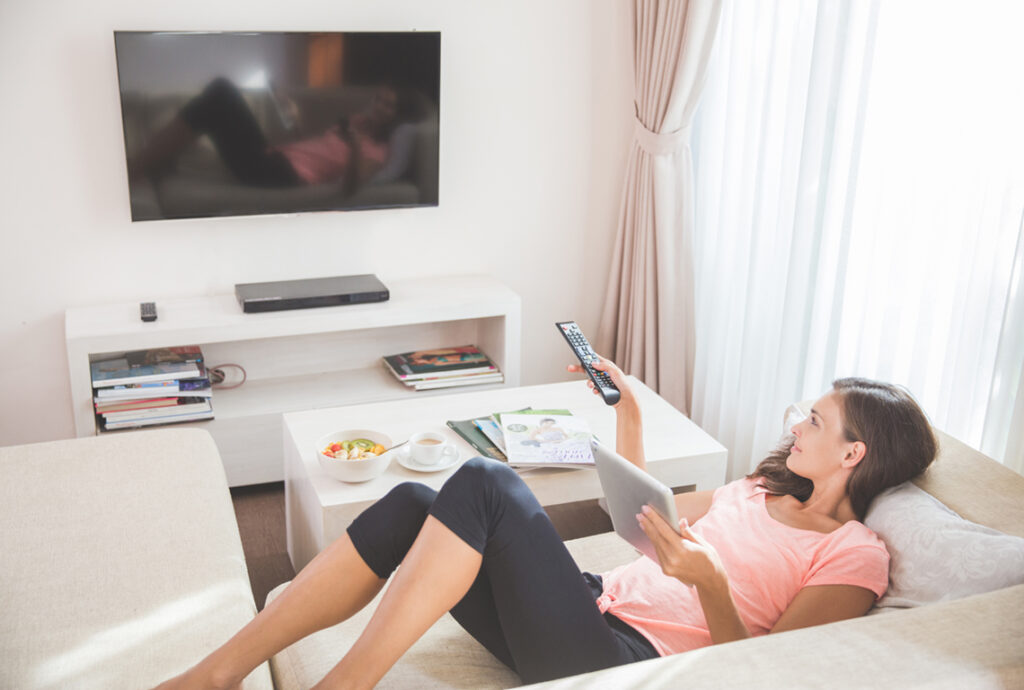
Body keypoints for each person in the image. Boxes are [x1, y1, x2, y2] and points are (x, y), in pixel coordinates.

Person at [156, 357, 937, 689]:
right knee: (408, 506)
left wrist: (713, 587)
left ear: (854, 454)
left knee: (486, 482)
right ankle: (221, 671)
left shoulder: (854, 553)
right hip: (588, 605)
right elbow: (647, 519)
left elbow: (771, 673)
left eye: (817, 420)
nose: (797, 423)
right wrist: (628, 411)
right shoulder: (761, 492)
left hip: (622, 660)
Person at [129, 78, 406, 193]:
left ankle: (140, 166)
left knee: (220, 93)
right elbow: (317, 146)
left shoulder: (379, 152)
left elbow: (353, 185)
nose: (379, 107)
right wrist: (291, 115)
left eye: (388, 104)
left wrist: (356, 144)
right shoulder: (356, 121)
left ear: (397, 114)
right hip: (273, 157)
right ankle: (155, 160)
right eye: (378, 100)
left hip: (282, 174)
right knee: (221, 92)